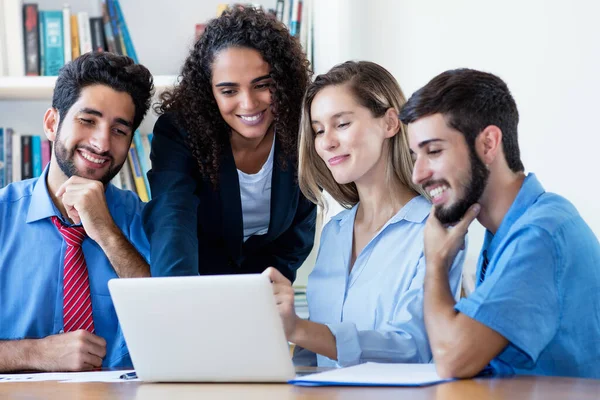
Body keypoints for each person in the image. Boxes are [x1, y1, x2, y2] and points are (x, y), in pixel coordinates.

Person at [400, 68, 600, 379]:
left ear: (489, 144)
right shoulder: (508, 229)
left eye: (434, 151)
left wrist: (436, 265)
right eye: (416, 156)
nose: (418, 174)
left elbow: (453, 358)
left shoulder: (539, 234)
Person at [264, 61, 465, 367]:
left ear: (389, 123)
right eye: (318, 130)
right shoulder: (335, 231)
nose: (327, 142)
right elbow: (316, 358)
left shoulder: (436, 229)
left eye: (342, 124)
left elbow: (414, 347)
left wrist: (299, 329)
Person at [0, 52, 154, 372]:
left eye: (119, 130)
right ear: (52, 123)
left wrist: (105, 230)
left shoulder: (149, 223)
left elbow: (177, 324)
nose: (101, 143)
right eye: (88, 120)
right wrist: (32, 353)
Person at [143, 6, 316, 280]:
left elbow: (298, 232)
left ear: (283, 82)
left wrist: (264, 290)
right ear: (209, 92)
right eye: (229, 90)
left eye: (262, 85)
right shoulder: (179, 132)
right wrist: (178, 298)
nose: (248, 103)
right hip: (195, 279)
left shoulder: (302, 128)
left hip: (267, 286)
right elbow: (172, 218)